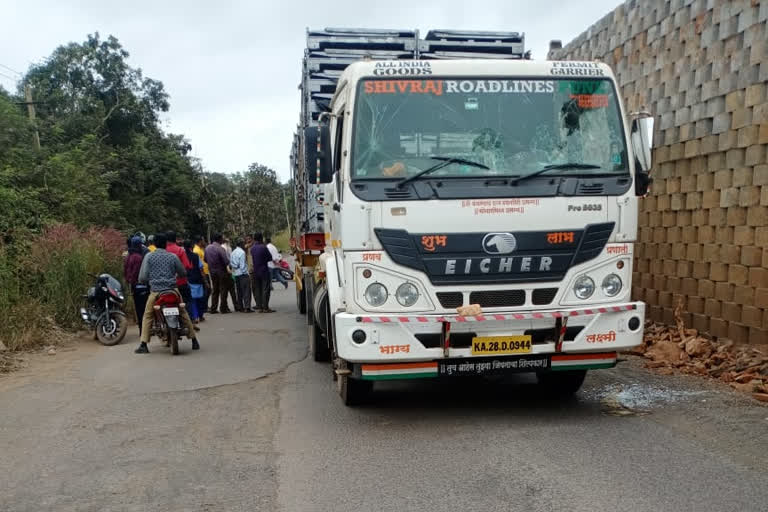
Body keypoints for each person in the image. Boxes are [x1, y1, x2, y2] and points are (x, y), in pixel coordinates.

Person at [135, 233, 199, 354]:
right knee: (183, 313)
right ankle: (194, 340)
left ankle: (143, 344)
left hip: (156, 292)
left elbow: (142, 277)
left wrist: (146, 280)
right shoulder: (173, 257)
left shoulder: (149, 257)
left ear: (154, 244)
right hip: (172, 290)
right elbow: (183, 272)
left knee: (148, 315)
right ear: (165, 244)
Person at [124, 236, 148, 335]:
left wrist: (128, 281)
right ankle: (144, 329)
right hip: (140, 285)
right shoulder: (138, 257)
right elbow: (136, 272)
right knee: (144, 308)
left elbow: (125, 271)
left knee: (138, 308)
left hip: (133, 286)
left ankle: (141, 329)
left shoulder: (128, 256)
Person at [166, 231, 193, 315]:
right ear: (175, 239)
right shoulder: (180, 250)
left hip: (166, 284)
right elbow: (187, 266)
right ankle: (190, 322)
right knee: (187, 302)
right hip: (181, 283)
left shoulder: (163, 251)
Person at [204, 233, 233, 314]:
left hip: (212, 272)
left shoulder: (207, 248)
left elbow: (205, 259)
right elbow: (226, 261)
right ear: (219, 239)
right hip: (221, 272)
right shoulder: (220, 249)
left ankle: (213, 308)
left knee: (215, 290)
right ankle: (223, 308)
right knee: (223, 290)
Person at [250, 232, 273, 313]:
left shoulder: (252, 248)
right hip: (264, 270)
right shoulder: (263, 247)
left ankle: (260, 307)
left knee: (258, 289)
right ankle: (265, 307)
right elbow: (270, 258)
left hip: (255, 271)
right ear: (261, 238)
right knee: (265, 289)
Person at [184, 239, 205, 324]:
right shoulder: (196, 256)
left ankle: (195, 316)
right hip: (197, 280)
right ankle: (200, 315)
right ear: (191, 247)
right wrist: (205, 280)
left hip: (188, 280)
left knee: (192, 300)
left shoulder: (183, 256)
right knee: (200, 298)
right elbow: (201, 268)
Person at [230, 239, 253, 313]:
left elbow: (232, 264)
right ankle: (247, 307)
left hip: (236, 274)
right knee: (246, 291)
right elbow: (242, 265)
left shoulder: (233, 252)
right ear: (241, 244)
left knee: (239, 291)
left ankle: (240, 307)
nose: (245, 245)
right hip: (243, 274)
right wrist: (246, 273)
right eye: (244, 244)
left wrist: (235, 268)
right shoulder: (242, 252)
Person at [193, 236, 210, 320]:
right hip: (202, 273)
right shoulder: (196, 251)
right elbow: (199, 265)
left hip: (205, 272)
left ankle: (204, 307)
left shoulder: (200, 249)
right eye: (203, 241)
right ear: (200, 241)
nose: (204, 242)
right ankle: (203, 309)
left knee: (207, 291)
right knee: (204, 292)